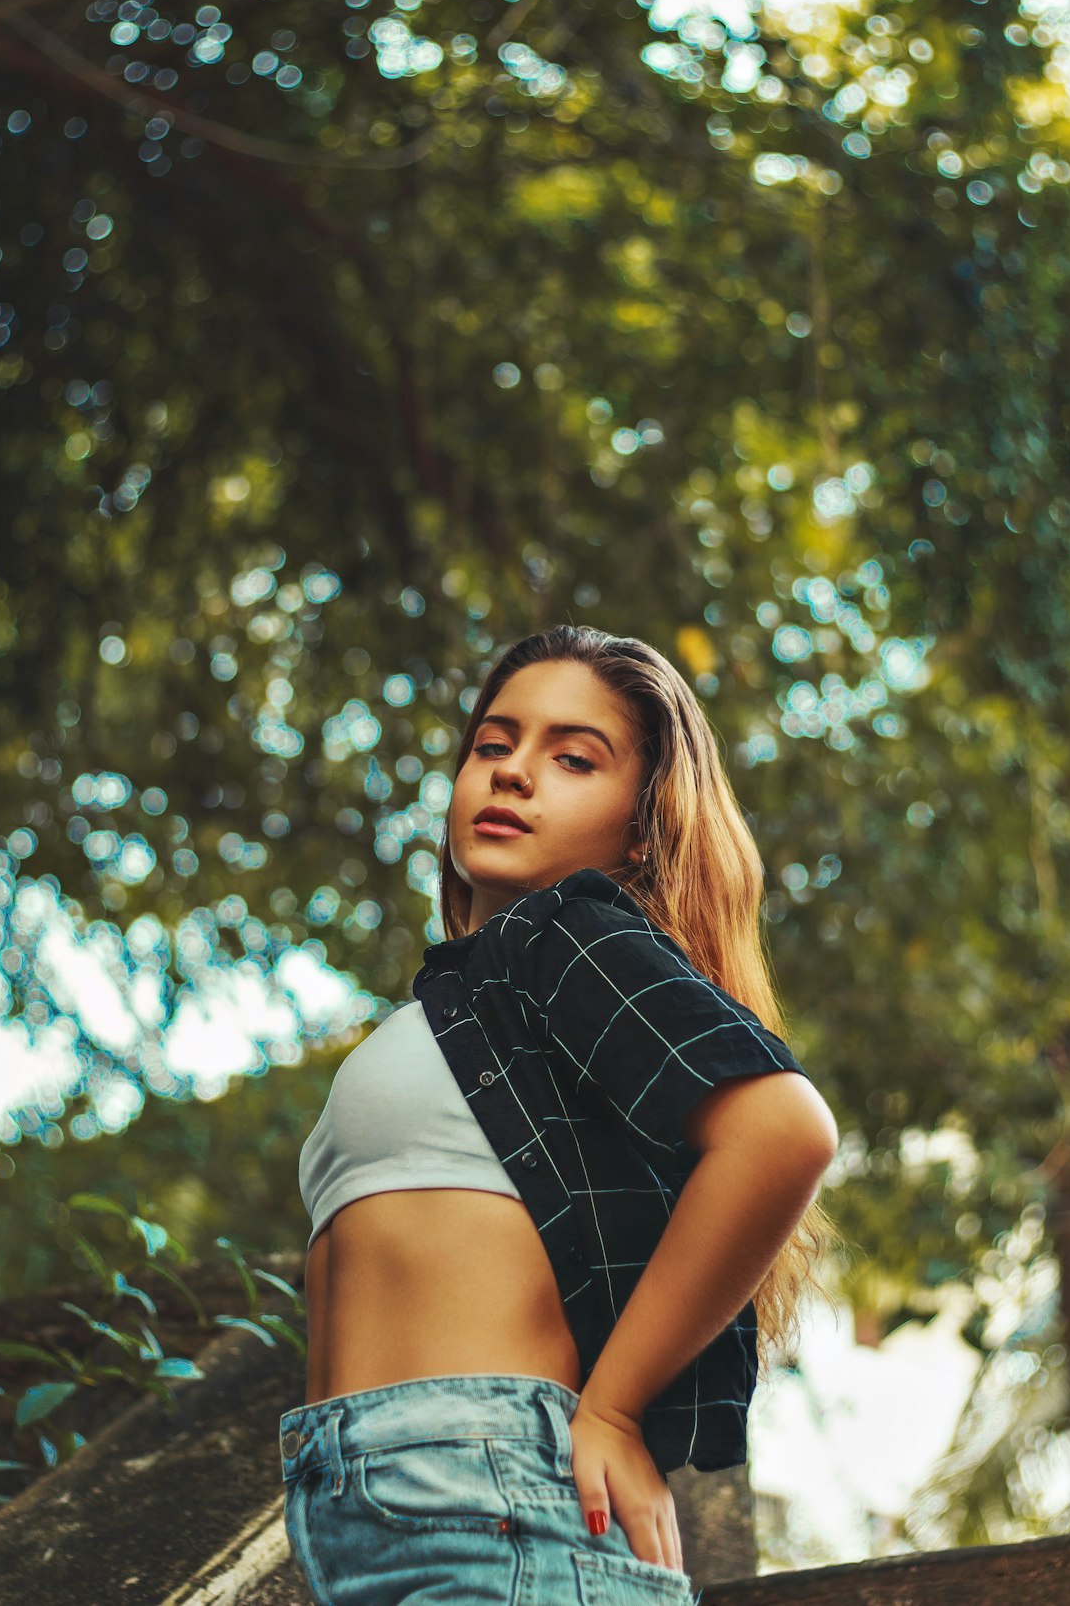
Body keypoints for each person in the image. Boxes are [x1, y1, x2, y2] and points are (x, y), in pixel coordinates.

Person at [278, 624, 838, 1605]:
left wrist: (614, 1412)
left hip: (494, 1502)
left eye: (573, 758)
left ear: (640, 827)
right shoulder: (473, 997)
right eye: (493, 746)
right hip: (377, 1515)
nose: (513, 774)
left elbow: (781, 1130)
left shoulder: (562, 933)